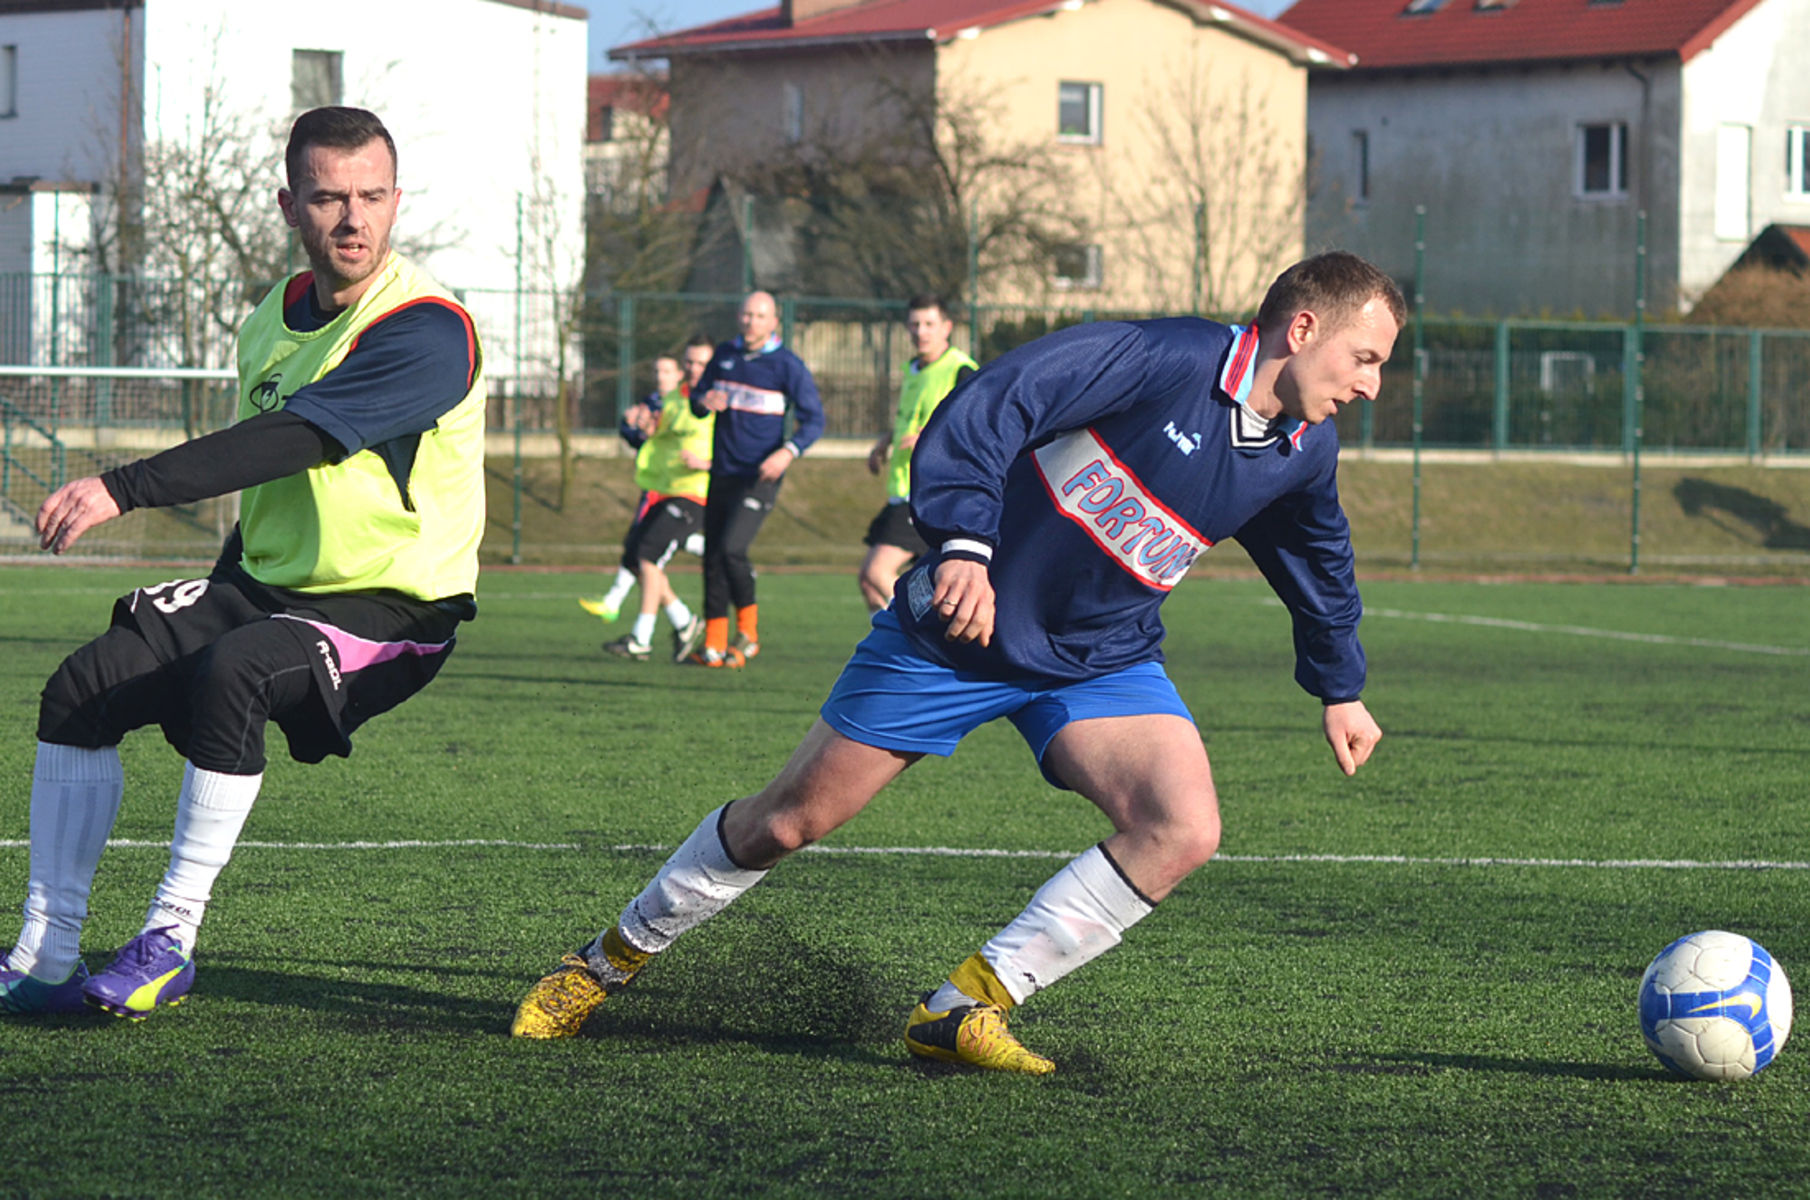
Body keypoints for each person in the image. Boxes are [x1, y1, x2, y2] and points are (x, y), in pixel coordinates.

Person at [511, 251, 1404, 1073]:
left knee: (1184, 828)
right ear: (1302, 330)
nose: (1372, 385)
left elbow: (1318, 559)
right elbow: (993, 404)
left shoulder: (1302, 446)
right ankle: (604, 962)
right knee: (786, 823)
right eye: (1365, 358)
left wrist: (1340, 686)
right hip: (956, 633)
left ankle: (964, 1007)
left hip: (1100, 658)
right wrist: (966, 546)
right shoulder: (1161, 358)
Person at [0, 106, 485, 1020]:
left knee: (239, 668)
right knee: (80, 688)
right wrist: (221, 584)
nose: (354, 218)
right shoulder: (269, 319)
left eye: (372, 196)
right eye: (329, 197)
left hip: (390, 612)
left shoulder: (428, 330)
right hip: (263, 587)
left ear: (397, 200)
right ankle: (48, 949)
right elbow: (269, 492)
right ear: (288, 207)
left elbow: (295, 439)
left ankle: (168, 940)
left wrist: (125, 486)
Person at [685, 291, 825, 667]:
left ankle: (748, 633)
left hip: (758, 476)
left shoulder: (786, 365)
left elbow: (815, 419)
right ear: (738, 316)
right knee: (713, 556)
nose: (751, 322)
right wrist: (703, 403)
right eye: (746, 314)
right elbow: (697, 399)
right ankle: (714, 644)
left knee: (732, 548)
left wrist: (787, 452)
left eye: (759, 316)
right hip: (722, 473)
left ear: (774, 321)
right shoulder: (725, 355)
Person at [582, 337, 714, 663]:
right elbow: (653, 436)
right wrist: (638, 426)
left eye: (701, 364)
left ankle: (641, 638)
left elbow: (738, 452)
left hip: (693, 495)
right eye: (690, 363)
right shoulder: (673, 400)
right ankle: (684, 622)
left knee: (648, 559)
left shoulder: (718, 402)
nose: (694, 370)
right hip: (661, 490)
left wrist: (707, 464)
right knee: (640, 561)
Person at [857, 296, 977, 612]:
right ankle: (891, 646)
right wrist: (885, 442)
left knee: (877, 573)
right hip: (901, 488)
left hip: (929, 492)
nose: (920, 331)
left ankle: (925, 630)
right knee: (868, 582)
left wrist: (929, 437)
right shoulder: (913, 370)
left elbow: (974, 426)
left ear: (947, 327)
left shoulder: (961, 370)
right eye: (914, 324)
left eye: (929, 324)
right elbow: (910, 421)